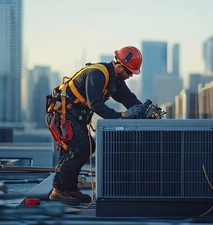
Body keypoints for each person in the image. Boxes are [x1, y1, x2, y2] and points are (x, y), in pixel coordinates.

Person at [48, 46, 144, 206]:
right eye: (129, 72)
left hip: (74, 116)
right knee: (80, 147)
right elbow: (95, 104)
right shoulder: (98, 74)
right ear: (119, 65)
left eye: (132, 73)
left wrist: (143, 110)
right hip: (63, 115)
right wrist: (121, 116)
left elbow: (128, 98)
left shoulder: (115, 80)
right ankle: (58, 189)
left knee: (88, 146)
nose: (130, 76)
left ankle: (69, 188)